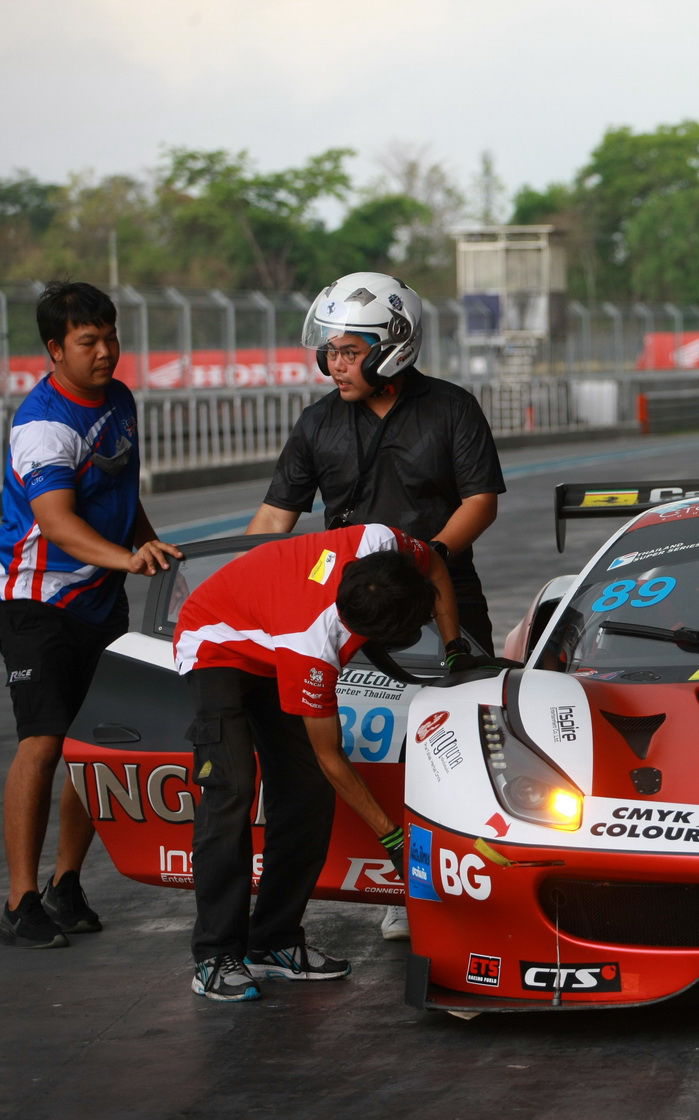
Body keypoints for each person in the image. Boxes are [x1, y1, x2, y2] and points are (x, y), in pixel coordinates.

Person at [244, 271, 505, 941]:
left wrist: (432, 559)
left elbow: (481, 499)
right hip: (350, 615)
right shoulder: (316, 423)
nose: (335, 365)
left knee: (449, 746)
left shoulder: (452, 409)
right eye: (329, 351)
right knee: (360, 745)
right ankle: (394, 874)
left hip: (445, 602)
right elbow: (274, 517)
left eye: (349, 351)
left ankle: (452, 874)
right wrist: (247, 587)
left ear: (394, 345)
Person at [174, 524, 469, 1001]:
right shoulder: (312, 646)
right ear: (367, 634)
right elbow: (331, 757)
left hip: (270, 622)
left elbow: (433, 563)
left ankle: (273, 942)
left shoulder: (380, 543)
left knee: (305, 792)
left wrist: (456, 651)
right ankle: (214, 955)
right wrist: (394, 839)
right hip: (214, 643)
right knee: (232, 791)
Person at [1, 282, 181, 949]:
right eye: (89, 342)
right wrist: (126, 558)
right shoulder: (42, 423)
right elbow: (58, 522)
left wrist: (148, 544)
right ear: (54, 349)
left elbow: (119, 491)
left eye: (110, 336)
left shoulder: (121, 401)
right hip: (36, 600)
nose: (106, 352)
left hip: (103, 596)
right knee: (44, 741)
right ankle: (20, 898)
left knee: (91, 747)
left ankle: (65, 883)